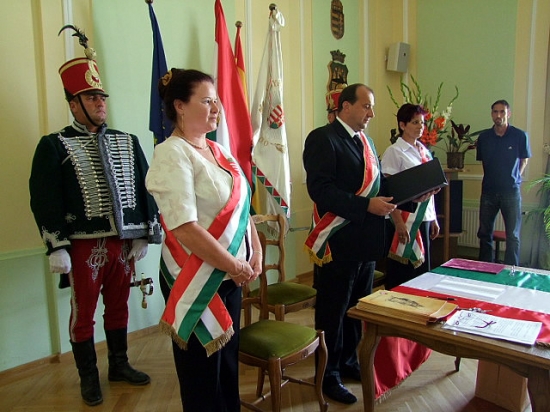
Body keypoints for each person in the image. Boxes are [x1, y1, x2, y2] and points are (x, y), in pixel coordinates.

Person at [29, 27, 162, 407]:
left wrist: (145, 232)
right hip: (82, 247)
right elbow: (45, 198)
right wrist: (56, 245)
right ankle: (88, 377)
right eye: (91, 97)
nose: (100, 104)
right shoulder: (53, 146)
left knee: (119, 306)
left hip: (123, 243)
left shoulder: (126, 141)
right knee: (83, 312)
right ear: (73, 104)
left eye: (102, 97)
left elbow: (146, 186)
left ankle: (119, 364)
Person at [145, 68, 262, 412]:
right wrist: (234, 264)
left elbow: (243, 208)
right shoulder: (172, 153)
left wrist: (254, 252)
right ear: (180, 106)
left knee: (227, 367)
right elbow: (184, 227)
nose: (217, 108)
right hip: (196, 277)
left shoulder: (220, 151)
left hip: (230, 275)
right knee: (202, 376)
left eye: (217, 101)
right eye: (207, 101)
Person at [303, 83, 405, 404]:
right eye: (366, 106)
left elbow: (379, 185)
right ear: (345, 106)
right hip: (339, 243)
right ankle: (328, 374)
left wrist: (415, 191)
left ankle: (348, 361)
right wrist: (365, 206)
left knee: (356, 308)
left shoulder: (367, 141)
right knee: (333, 313)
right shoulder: (323, 138)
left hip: (366, 243)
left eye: (372, 107)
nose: (371, 113)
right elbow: (321, 190)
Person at [381, 103, 440, 289]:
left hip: (423, 218)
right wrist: (398, 222)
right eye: (415, 122)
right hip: (404, 219)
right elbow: (389, 191)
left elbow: (430, 188)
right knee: (403, 271)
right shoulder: (394, 152)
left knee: (421, 272)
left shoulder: (424, 151)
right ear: (402, 125)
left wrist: (434, 218)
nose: (420, 126)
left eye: (422, 122)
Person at [477, 99, 531, 265]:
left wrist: (516, 177)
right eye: (495, 112)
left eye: (502, 112)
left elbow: (524, 159)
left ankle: (511, 271)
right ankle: (485, 268)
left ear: (508, 114)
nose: (498, 115)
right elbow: (484, 162)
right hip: (488, 192)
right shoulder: (484, 137)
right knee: (484, 233)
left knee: (512, 235)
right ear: (491, 114)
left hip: (511, 192)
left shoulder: (520, 136)